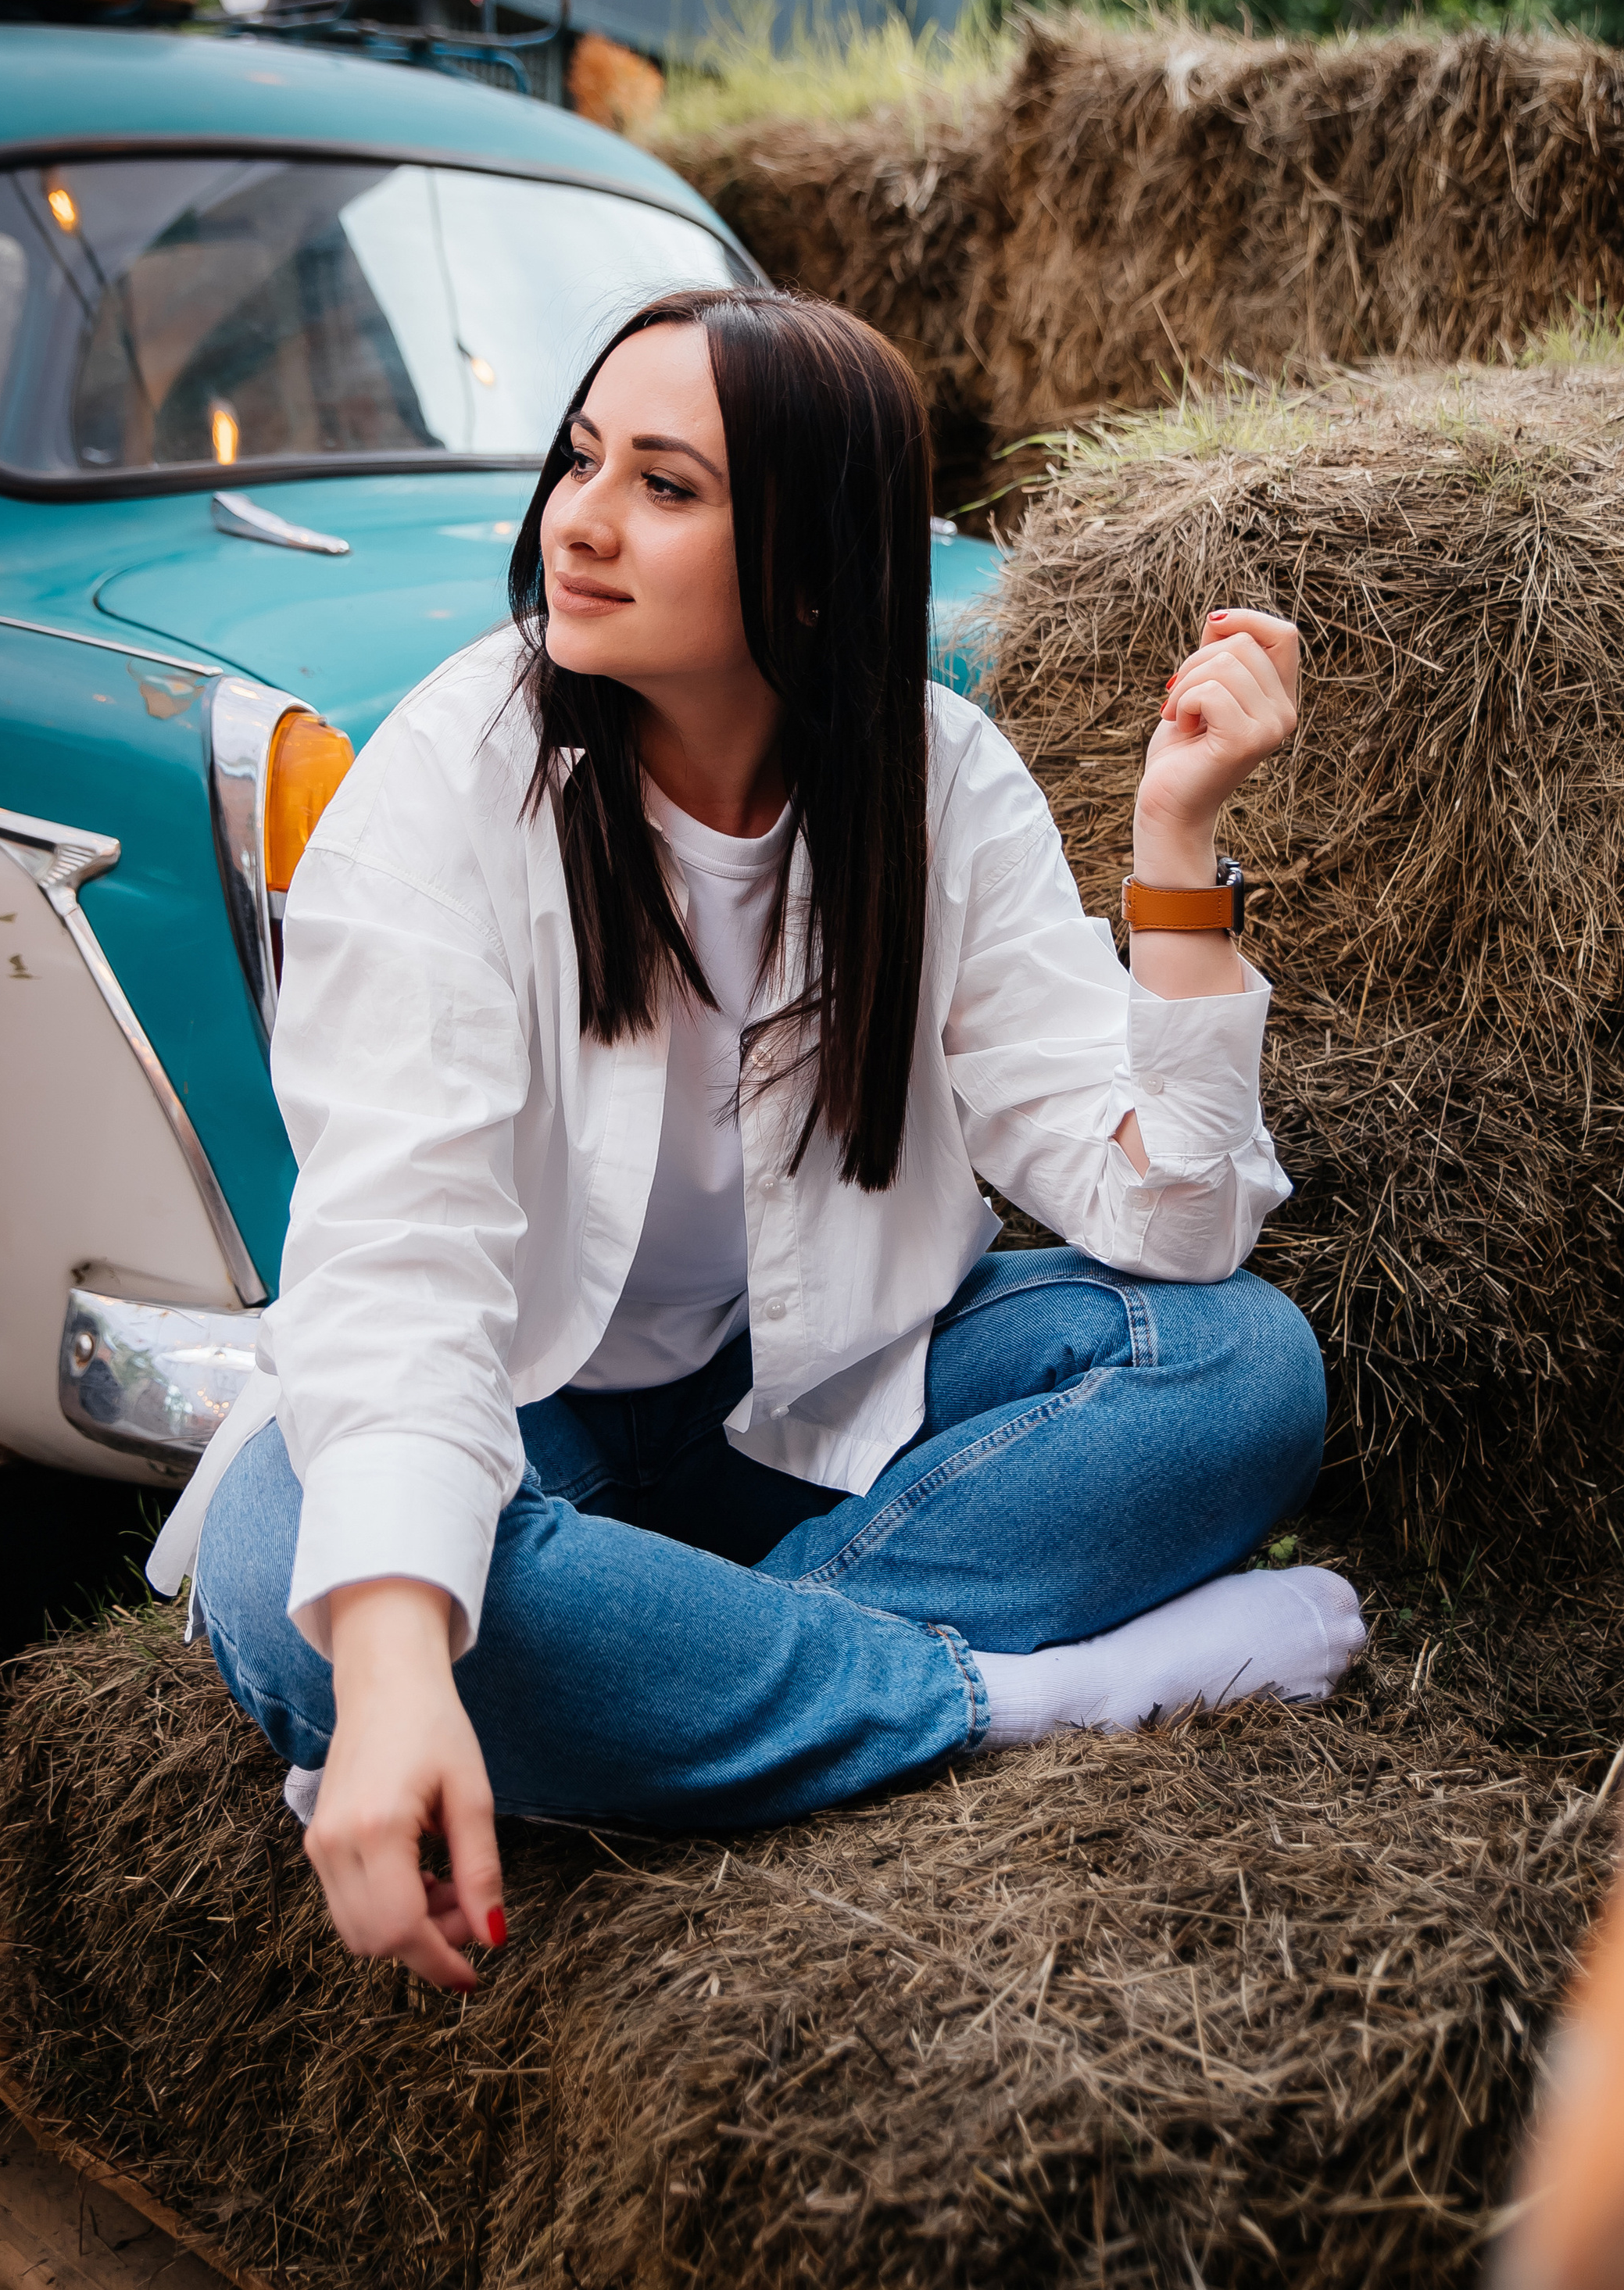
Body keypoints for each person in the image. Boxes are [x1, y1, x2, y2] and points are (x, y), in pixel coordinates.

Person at [148, 285, 1363, 1994]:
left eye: (664, 485)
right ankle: (1033, 1698)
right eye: (581, 461)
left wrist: (1175, 848)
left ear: (808, 562)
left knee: (1234, 1364)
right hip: (519, 1425)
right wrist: (407, 1670)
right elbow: (398, 1258)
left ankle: (641, 1691)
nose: (580, 520)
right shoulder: (448, 780)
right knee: (296, 1566)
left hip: (800, 1414)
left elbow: (1173, 1225)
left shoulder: (938, 781)